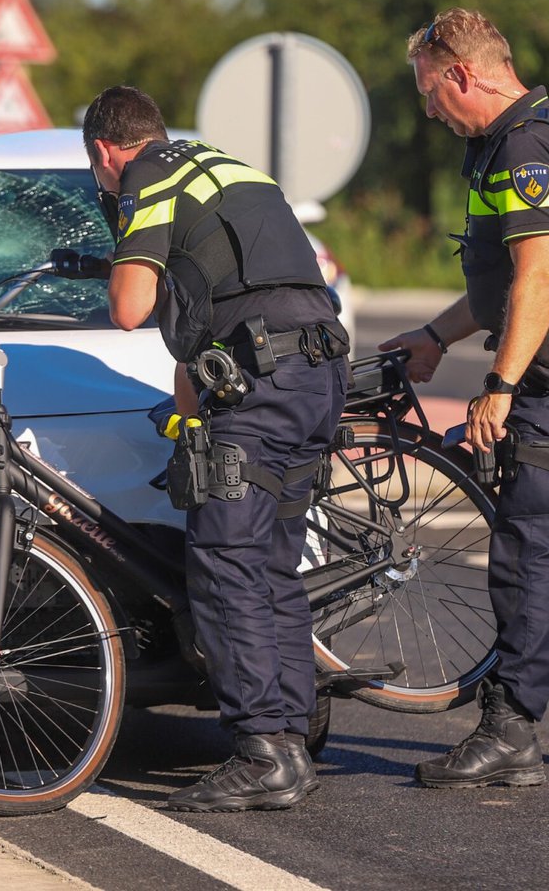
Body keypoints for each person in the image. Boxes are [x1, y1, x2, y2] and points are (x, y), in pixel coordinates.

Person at [381, 8, 549, 788]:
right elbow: (510, 280)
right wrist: (438, 332)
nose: (428, 108)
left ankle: (510, 729)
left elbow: (538, 276)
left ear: (463, 74)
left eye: (431, 91)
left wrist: (498, 386)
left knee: (530, 551)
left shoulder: (521, 151)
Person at [81, 85, 351, 812]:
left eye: (98, 173)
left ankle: (262, 751)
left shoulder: (147, 178)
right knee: (272, 563)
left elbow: (131, 307)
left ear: (106, 152)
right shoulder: (231, 171)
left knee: (226, 564)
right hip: (316, 369)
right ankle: (289, 740)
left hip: (261, 383)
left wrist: (113, 256)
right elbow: (215, 305)